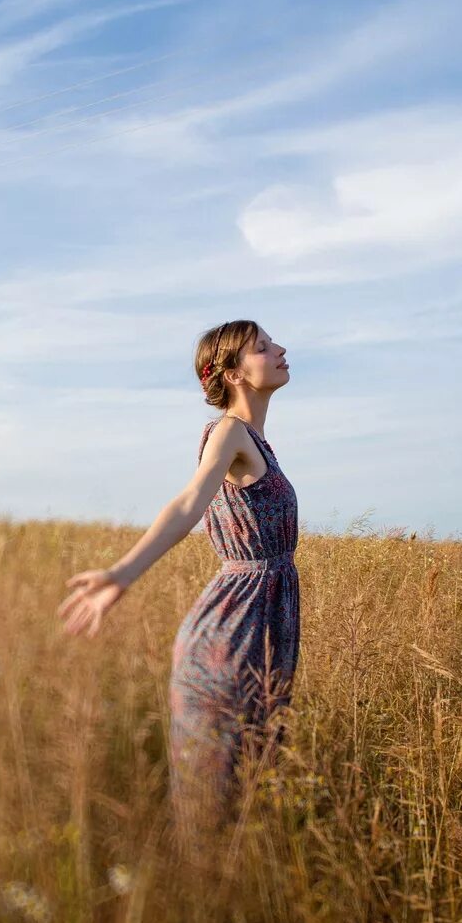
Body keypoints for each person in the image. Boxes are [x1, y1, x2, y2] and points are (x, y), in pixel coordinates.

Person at [55, 319, 299, 847]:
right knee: (215, 805)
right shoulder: (229, 432)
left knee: (248, 797)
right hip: (230, 637)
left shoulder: (257, 441)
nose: (280, 349)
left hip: (259, 627)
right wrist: (122, 573)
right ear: (234, 373)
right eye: (263, 347)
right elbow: (188, 503)